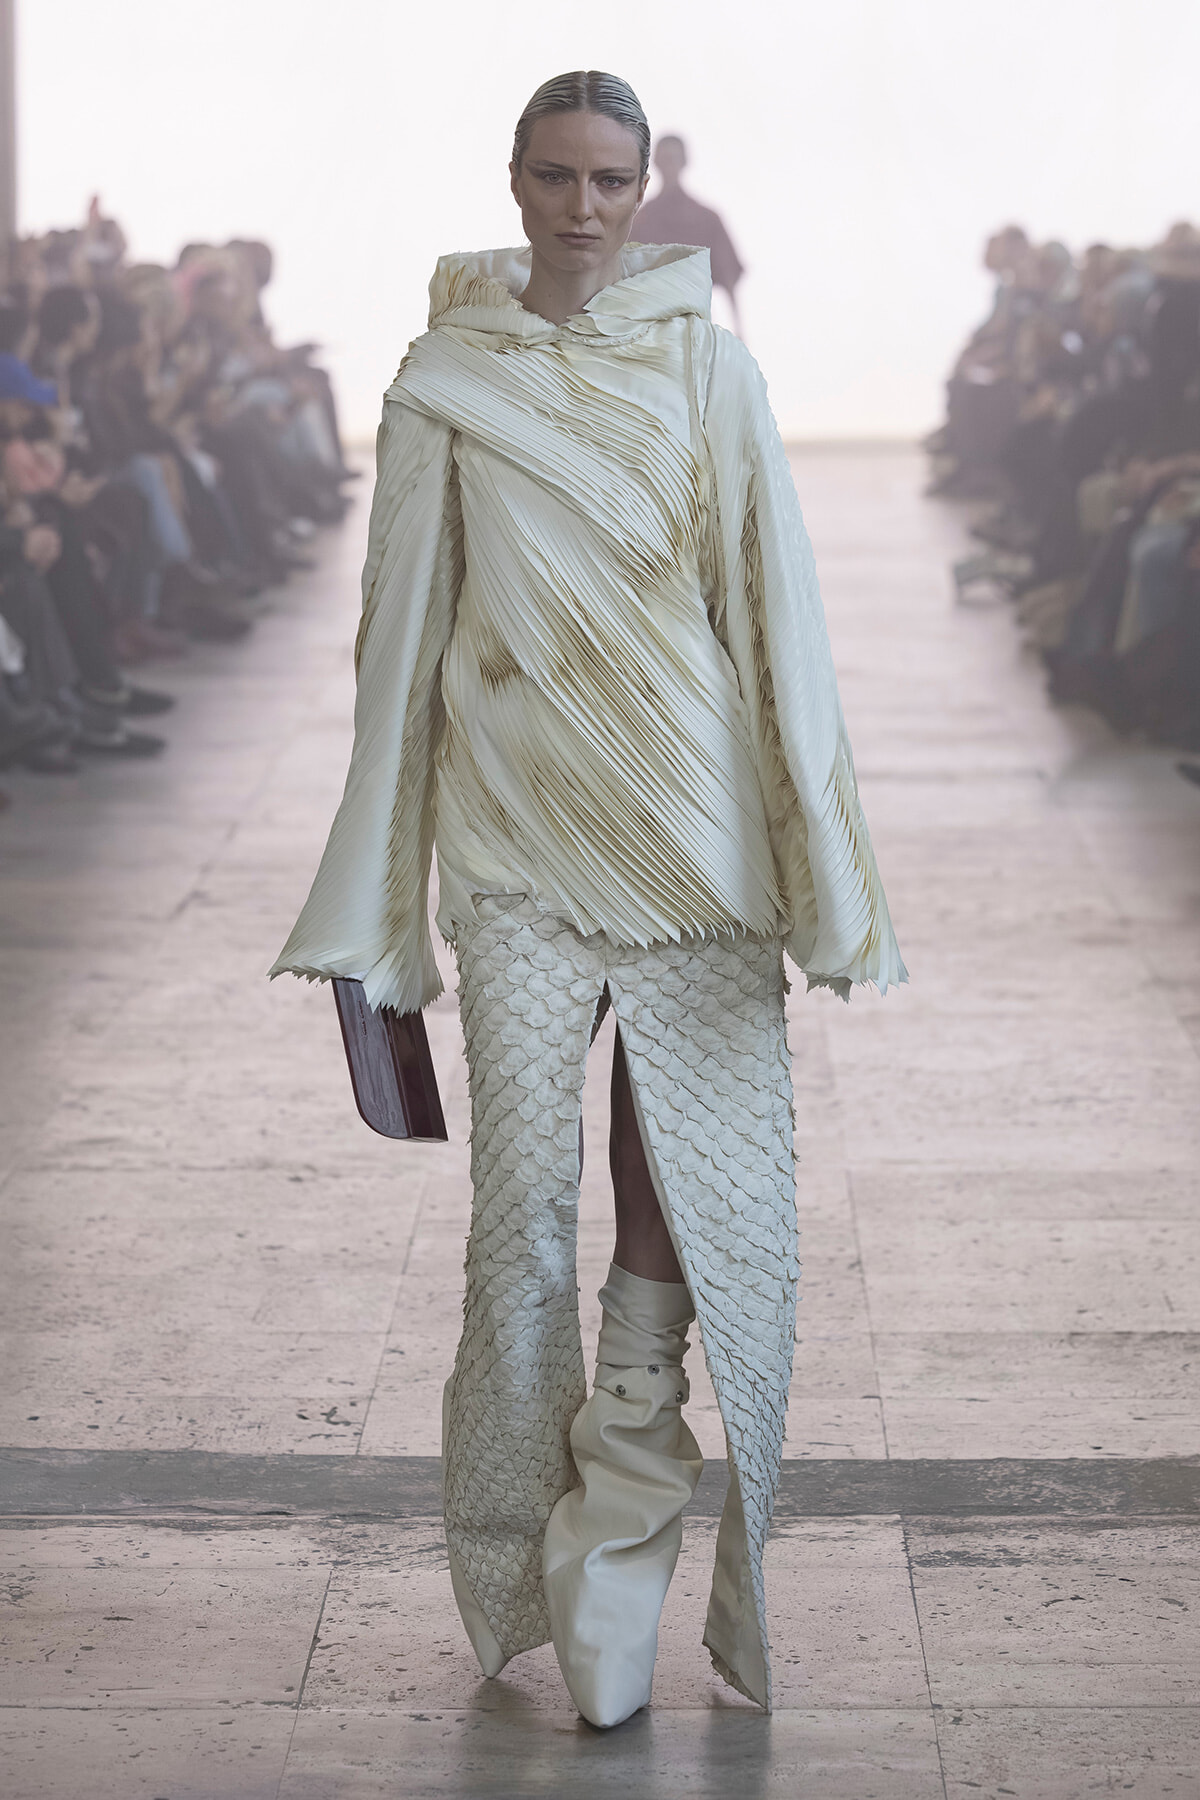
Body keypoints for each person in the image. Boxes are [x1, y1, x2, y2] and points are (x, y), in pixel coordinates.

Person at [270, 69, 904, 1730]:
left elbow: (778, 624)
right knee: (514, 1217)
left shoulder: (714, 372)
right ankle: (530, 1540)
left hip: (692, 844)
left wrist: (827, 871)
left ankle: (622, 1534)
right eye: (554, 174)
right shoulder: (445, 384)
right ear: (515, 181)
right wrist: (378, 910)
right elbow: (393, 648)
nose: (581, 203)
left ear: (642, 189)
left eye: (608, 176)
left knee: (688, 1207)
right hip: (514, 845)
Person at [634, 133, 746, 335]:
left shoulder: (707, 219)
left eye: (674, 159)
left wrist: (740, 329)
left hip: (697, 330)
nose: (669, 166)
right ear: (656, 162)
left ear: (684, 162)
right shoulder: (641, 221)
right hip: (651, 331)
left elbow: (728, 276)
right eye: (665, 159)